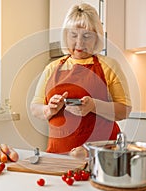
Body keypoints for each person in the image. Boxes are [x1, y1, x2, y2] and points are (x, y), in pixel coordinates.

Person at [30, 3, 131, 154]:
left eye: (86, 36)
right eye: (73, 35)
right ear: (66, 36)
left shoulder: (109, 66)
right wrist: (49, 109)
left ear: (96, 38)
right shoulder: (52, 67)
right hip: (59, 154)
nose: (79, 43)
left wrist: (93, 106)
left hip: (101, 156)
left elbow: (124, 110)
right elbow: (35, 108)